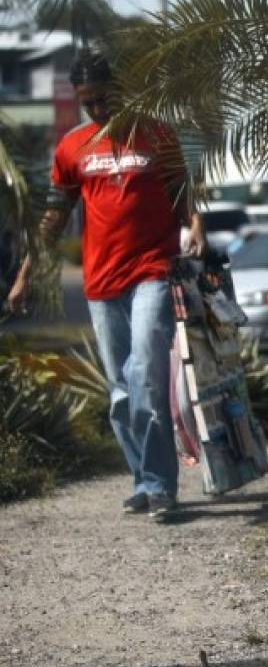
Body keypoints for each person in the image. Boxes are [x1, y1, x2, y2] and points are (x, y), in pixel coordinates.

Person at [7, 51, 207, 519]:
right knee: (119, 390)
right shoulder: (72, 147)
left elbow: (182, 190)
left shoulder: (156, 134)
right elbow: (53, 220)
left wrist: (196, 225)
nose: (97, 109)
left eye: (104, 98)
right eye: (88, 102)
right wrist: (24, 276)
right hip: (100, 282)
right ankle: (143, 477)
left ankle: (161, 485)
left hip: (152, 271)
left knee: (147, 380)